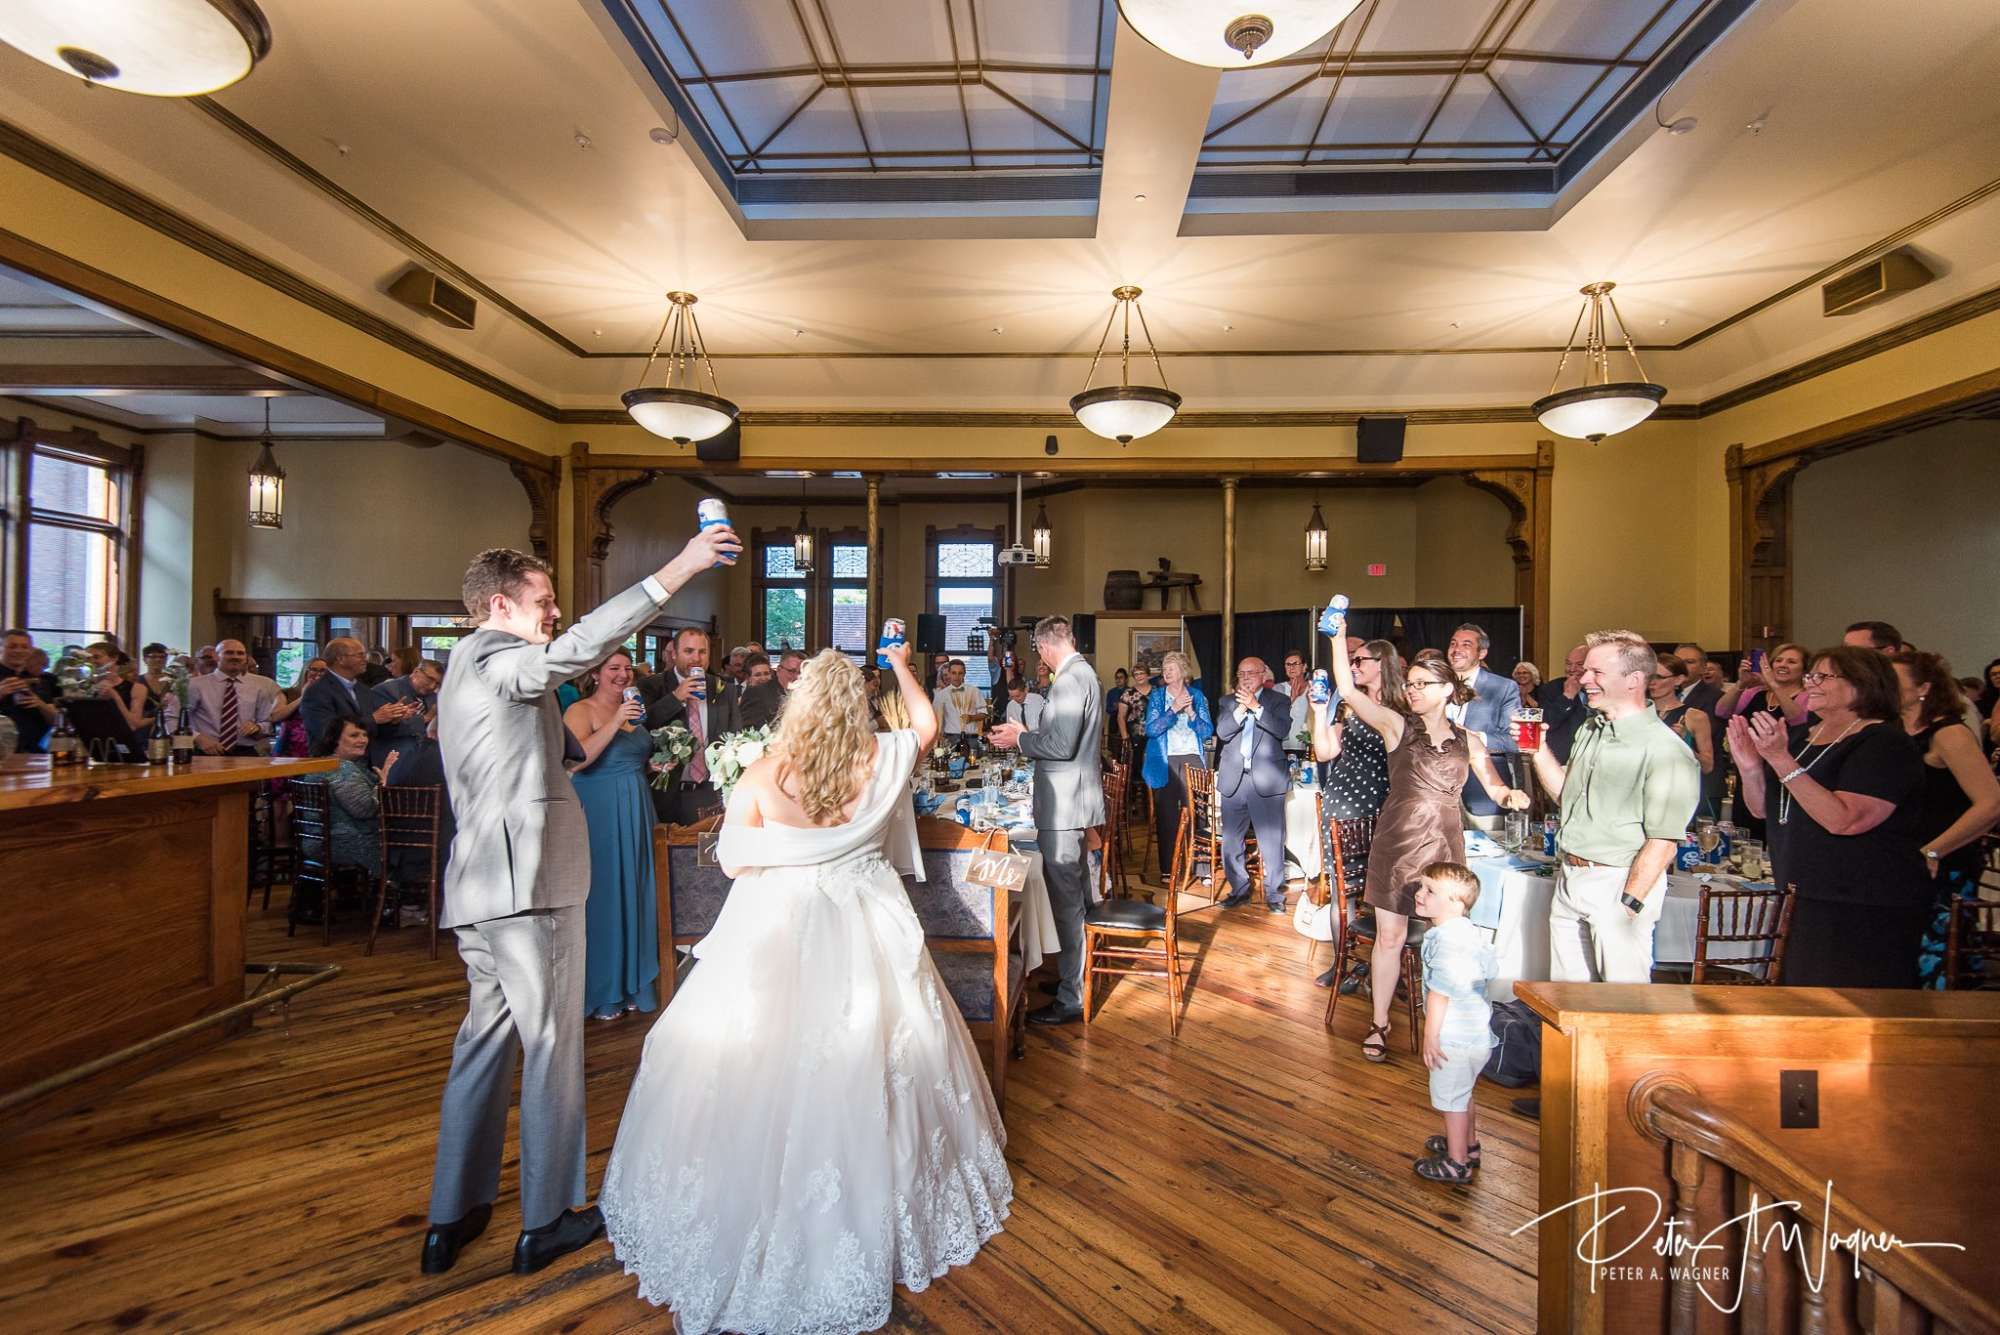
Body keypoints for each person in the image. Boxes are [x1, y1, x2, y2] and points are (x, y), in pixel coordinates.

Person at [600, 642, 1012, 1331]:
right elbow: (927, 725)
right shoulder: (879, 758)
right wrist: (904, 663)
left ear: (798, 704)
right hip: (865, 921)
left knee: (761, 1052)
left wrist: (787, 854)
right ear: (855, 706)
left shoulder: (762, 773)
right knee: (881, 1052)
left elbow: (732, 860)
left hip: (780, 925)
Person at [420, 524, 739, 1280]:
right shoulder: (499, 656)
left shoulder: (466, 665)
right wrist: (678, 568)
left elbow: (536, 748)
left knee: (482, 1044)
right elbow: (575, 649)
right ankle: (548, 1218)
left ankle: (452, 1215)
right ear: (499, 603)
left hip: (478, 888)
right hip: (529, 886)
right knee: (554, 1045)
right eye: (545, 600)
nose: (556, 612)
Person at [1329, 616, 1525, 1063]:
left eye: (1422, 684)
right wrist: (1338, 637)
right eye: (1411, 683)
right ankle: (1380, 1022)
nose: (1412, 690)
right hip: (1397, 843)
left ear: (1447, 690)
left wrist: (1509, 794)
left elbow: (1494, 788)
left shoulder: (1470, 740)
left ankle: (1445, 1023)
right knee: (1391, 938)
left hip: (1445, 848)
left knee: (1447, 939)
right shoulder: (1396, 726)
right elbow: (1348, 689)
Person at [1729, 645, 1927, 987]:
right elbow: (1765, 810)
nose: (1811, 683)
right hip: (1801, 893)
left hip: (1861, 900)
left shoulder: (1883, 743)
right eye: (1811, 676)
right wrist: (1749, 767)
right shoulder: (1800, 737)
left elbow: (1845, 820)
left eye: (1823, 676)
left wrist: (1780, 761)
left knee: (1849, 1006)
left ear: (1863, 684)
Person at [1527, 631, 1702, 985]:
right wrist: (1537, 749)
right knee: (1567, 1005)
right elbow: (1566, 795)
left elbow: (1663, 841)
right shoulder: (1592, 729)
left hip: (1617, 881)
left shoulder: (1665, 750)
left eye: (1596, 672)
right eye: (1584, 671)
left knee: (1623, 1007)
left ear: (1634, 680)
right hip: (1570, 876)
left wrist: (1628, 904)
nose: (1583, 679)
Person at [990, 615, 1104, 1026]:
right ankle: (1073, 980)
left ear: (1044, 647)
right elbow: (1061, 737)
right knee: (1073, 897)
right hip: (1070, 801)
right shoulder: (1081, 674)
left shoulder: (1072, 679)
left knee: (1069, 903)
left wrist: (1019, 739)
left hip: (1065, 804)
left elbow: (1060, 744)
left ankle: (1073, 996)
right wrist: (1028, 730)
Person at [564, 649, 660, 1021]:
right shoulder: (581, 711)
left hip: (637, 804)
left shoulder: (635, 709)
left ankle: (636, 983)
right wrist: (616, 719)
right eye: (613, 669)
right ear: (596, 673)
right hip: (599, 809)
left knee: (637, 891)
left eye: (626, 669)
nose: (622, 675)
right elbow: (577, 759)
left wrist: (654, 763)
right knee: (605, 893)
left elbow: (631, 756)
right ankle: (604, 990)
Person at [1893, 653, 2000, 987]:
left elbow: (1991, 803)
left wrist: (1934, 850)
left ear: (1923, 687)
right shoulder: (1892, 730)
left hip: (1945, 858)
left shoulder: (1949, 733)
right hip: (1905, 857)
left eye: (1894, 682)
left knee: (1935, 958)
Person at [1307, 638, 1403, 987]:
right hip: (1346, 801)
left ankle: (1387, 966)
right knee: (1343, 889)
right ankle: (1342, 963)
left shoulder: (1403, 705)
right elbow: (1324, 752)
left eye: (1361, 660)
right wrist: (1319, 714)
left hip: (1389, 803)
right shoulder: (1346, 703)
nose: (1354, 665)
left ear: (1382, 663)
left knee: (1387, 890)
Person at [1411, 862, 1496, 1185]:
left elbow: (1439, 993)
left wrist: (1431, 1037)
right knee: (1464, 1093)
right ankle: (1468, 1145)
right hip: (1477, 1036)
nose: (1420, 894)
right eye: (1422, 887)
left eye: (1430, 891)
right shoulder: (1467, 932)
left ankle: (1457, 1162)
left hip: (1453, 1039)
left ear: (1456, 902)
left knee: (1452, 1100)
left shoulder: (1445, 942)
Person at [1214, 657, 1293, 913]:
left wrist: (1256, 707)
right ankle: (1239, 889)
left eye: (1251, 673)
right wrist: (1240, 710)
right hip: (1234, 779)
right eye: (1241, 673)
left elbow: (1281, 730)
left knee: (1271, 842)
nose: (1246, 678)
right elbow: (1223, 733)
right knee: (1231, 841)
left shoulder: (1278, 700)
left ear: (1263, 675)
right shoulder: (1227, 702)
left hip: (1267, 781)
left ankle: (1274, 895)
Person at [638, 627, 729, 827]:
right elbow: (642, 726)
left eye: (702, 652)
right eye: (689, 651)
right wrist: (675, 698)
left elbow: (733, 736)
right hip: (668, 791)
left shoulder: (723, 688)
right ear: (674, 653)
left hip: (711, 791)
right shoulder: (652, 686)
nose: (696, 658)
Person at [1140, 651, 1213, 885]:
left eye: (1170, 667)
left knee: (1198, 814)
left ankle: (1202, 868)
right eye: (1164, 668)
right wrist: (1173, 710)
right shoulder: (1158, 697)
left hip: (1192, 758)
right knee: (1167, 816)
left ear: (1183, 671)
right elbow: (1151, 729)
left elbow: (1206, 731)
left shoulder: (1198, 696)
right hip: (1166, 760)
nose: (1165, 671)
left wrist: (1191, 712)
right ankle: (1168, 868)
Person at [1444, 623, 1522, 829]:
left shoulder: (1502, 687)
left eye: (1466, 644)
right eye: (1453, 643)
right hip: (1438, 791)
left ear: (1482, 653)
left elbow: (1515, 740)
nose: (1456, 649)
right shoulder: (1433, 683)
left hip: (1483, 791)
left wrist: (1476, 738)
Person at [306, 718, 395, 878]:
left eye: (364, 735)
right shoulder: (340, 767)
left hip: (317, 841)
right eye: (354, 735)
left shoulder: (321, 763)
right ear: (334, 739)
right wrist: (384, 781)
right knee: (410, 846)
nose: (362, 740)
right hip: (345, 842)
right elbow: (365, 809)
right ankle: (401, 896)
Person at [302, 637, 414, 754]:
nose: (365, 659)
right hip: (331, 764)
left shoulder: (363, 690)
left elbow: (374, 732)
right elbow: (326, 731)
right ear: (340, 659)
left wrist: (393, 720)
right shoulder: (317, 691)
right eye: (359, 655)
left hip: (364, 763)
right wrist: (373, 719)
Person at [181, 639, 282, 756]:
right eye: (229, 652)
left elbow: (267, 722)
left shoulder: (259, 686)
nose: (236, 657)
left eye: (240, 653)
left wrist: (258, 728)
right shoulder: (195, 685)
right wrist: (197, 738)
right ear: (216, 657)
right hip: (207, 751)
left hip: (245, 754)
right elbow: (174, 719)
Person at [1649, 654, 1715, 790]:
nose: (1652, 682)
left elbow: (1707, 767)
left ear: (1678, 680)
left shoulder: (1695, 716)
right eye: (1649, 677)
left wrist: (1684, 745)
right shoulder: (1637, 713)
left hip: (1678, 791)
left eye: (1659, 677)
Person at [1, 628, 61, 752]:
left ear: (31, 650)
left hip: (35, 752)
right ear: (1, 648)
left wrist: (40, 704)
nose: (18, 651)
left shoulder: (39, 679)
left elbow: (56, 720)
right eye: (12, 646)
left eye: (24, 647)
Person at [1535, 644, 1590, 765]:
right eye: (1568, 664)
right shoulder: (1550, 689)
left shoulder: (1600, 690)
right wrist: (1567, 696)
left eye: (1579, 665)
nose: (1572, 669)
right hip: (1563, 761)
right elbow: (1546, 723)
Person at [932, 658, 985, 742]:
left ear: (964, 674)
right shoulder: (940, 695)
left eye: (960, 673)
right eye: (953, 673)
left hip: (972, 738)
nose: (957, 677)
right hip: (950, 739)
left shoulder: (975, 691)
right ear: (949, 673)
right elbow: (934, 718)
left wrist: (972, 718)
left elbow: (984, 713)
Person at [1278, 649, 1313, 758]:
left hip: (1308, 746)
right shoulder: (1278, 689)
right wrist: (1292, 698)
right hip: (1283, 746)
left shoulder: (1314, 687)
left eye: (1295, 664)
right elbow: (1275, 717)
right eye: (1288, 664)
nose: (1291, 667)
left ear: (1304, 666)